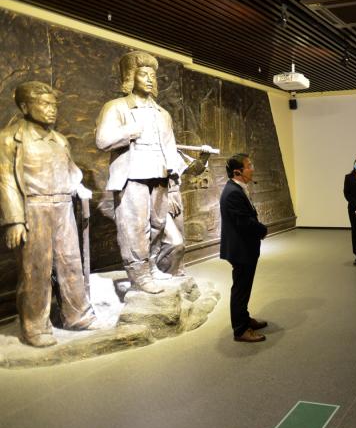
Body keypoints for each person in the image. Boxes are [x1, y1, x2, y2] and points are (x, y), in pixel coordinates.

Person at [0, 82, 97, 347]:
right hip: (34, 209)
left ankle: (78, 316)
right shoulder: (9, 138)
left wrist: (78, 186)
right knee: (36, 270)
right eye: (44, 104)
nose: (52, 109)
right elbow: (5, 181)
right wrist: (15, 220)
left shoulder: (60, 139)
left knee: (70, 263)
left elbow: (70, 170)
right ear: (24, 107)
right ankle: (35, 327)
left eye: (54, 104)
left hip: (63, 207)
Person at [95, 51, 186, 294]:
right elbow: (102, 140)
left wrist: (173, 181)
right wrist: (128, 132)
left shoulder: (162, 113)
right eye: (143, 74)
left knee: (157, 225)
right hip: (132, 175)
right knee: (134, 228)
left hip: (160, 175)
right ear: (130, 77)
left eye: (152, 76)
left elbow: (170, 148)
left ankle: (152, 267)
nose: (149, 80)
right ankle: (139, 275)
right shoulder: (116, 107)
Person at [220, 153, 269, 343]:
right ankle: (240, 330)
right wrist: (262, 230)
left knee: (244, 287)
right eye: (249, 166)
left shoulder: (237, 189)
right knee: (240, 289)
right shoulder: (233, 192)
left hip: (243, 248)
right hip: (240, 250)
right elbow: (244, 222)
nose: (252, 169)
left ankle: (244, 319)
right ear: (237, 172)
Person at [154, 147, 212, 276]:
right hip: (159, 198)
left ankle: (177, 271)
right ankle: (162, 271)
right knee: (170, 241)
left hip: (175, 196)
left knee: (180, 237)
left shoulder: (173, 152)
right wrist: (165, 196)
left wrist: (204, 156)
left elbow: (194, 169)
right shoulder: (151, 151)